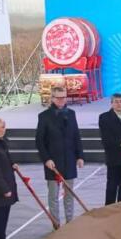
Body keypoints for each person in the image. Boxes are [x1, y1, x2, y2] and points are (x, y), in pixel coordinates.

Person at [35, 86, 84, 223]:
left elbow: (76, 136)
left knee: (69, 194)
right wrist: (46, 159)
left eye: (64, 97)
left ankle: (70, 223)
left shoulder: (71, 114)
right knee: (53, 196)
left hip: (69, 160)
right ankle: (56, 224)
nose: (62, 100)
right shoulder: (44, 116)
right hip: (53, 163)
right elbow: (39, 141)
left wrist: (80, 156)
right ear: (52, 98)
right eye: (59, 98)